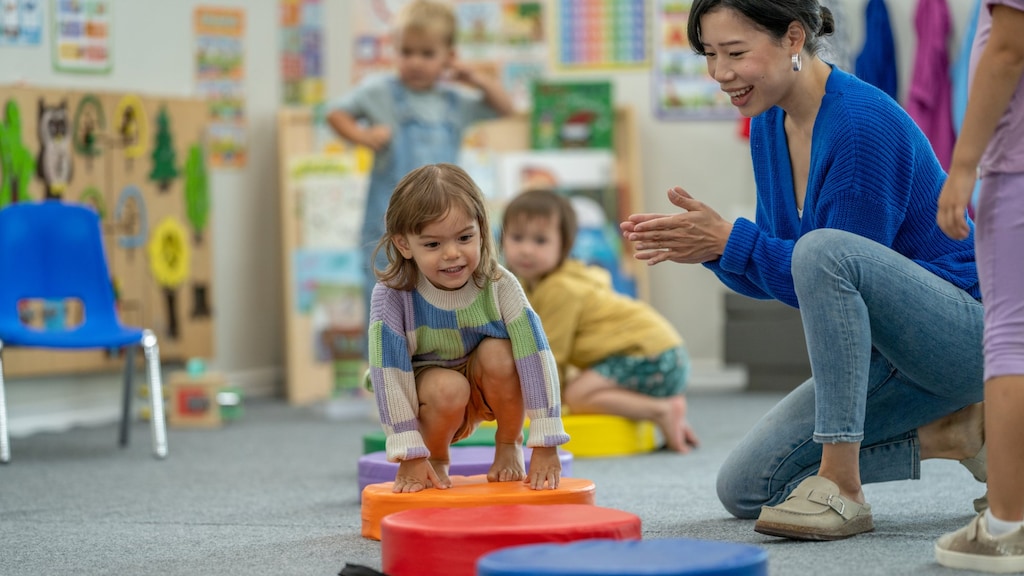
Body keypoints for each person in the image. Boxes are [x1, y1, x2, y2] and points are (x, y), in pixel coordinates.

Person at [621, 0, 986, 541]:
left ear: (794, 38)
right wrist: (714, 249)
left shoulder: (861, 126)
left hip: (963, 336)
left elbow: (826, 271)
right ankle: (958, 434)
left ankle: (842, 484)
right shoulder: (772, 120)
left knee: (821, 250)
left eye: (735, 53)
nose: (721, 74)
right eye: (710, 55)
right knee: (747, 486)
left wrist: (732, 241)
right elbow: (805, 284)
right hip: (890, 353)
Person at [367, 163, 569, 494]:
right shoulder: (392, 296)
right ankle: (436, 458)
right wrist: (410, 453)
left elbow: (536, 356)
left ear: (482, 230)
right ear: (404, 245)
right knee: (447, 387)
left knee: (502, 353)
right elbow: (390, 376)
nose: (452, 254)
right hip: (430, 397)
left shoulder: (499, 283)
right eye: (432, 244)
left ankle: (508, 443)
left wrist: (546, 442)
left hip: (486, 386)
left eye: (464, 238)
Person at [326, 0, 514, 350]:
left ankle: (446, 365)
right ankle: (388, 375)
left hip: (445, 226)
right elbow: (335, 113)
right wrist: (363, 137)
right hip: (389, 225)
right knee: (387, 301)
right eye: (406, 52)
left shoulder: (454, 101)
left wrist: (472, 76)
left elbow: (506, 107)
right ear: (395, 50)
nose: (415, 62)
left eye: (427, 53)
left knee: (447, 297)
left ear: (448, 56)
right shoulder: (379, 92)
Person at [500, 189, 699, 453]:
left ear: (565, 245)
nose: (526, 249)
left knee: (577, 396)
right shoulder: (529, 284)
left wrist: (537, 409)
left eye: (540, 241)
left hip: (654, 357)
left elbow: (550, 356)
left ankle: (662, 411)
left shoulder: (560, 288)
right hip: (660, 354)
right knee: (579, 386)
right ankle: (669, 414)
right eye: (516, 238)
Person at [934, 1, 1024, 570]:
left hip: (1016, 168)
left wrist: (964, 163)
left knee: (1011, 340)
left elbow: (1009, 48)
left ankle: (1007, 523)